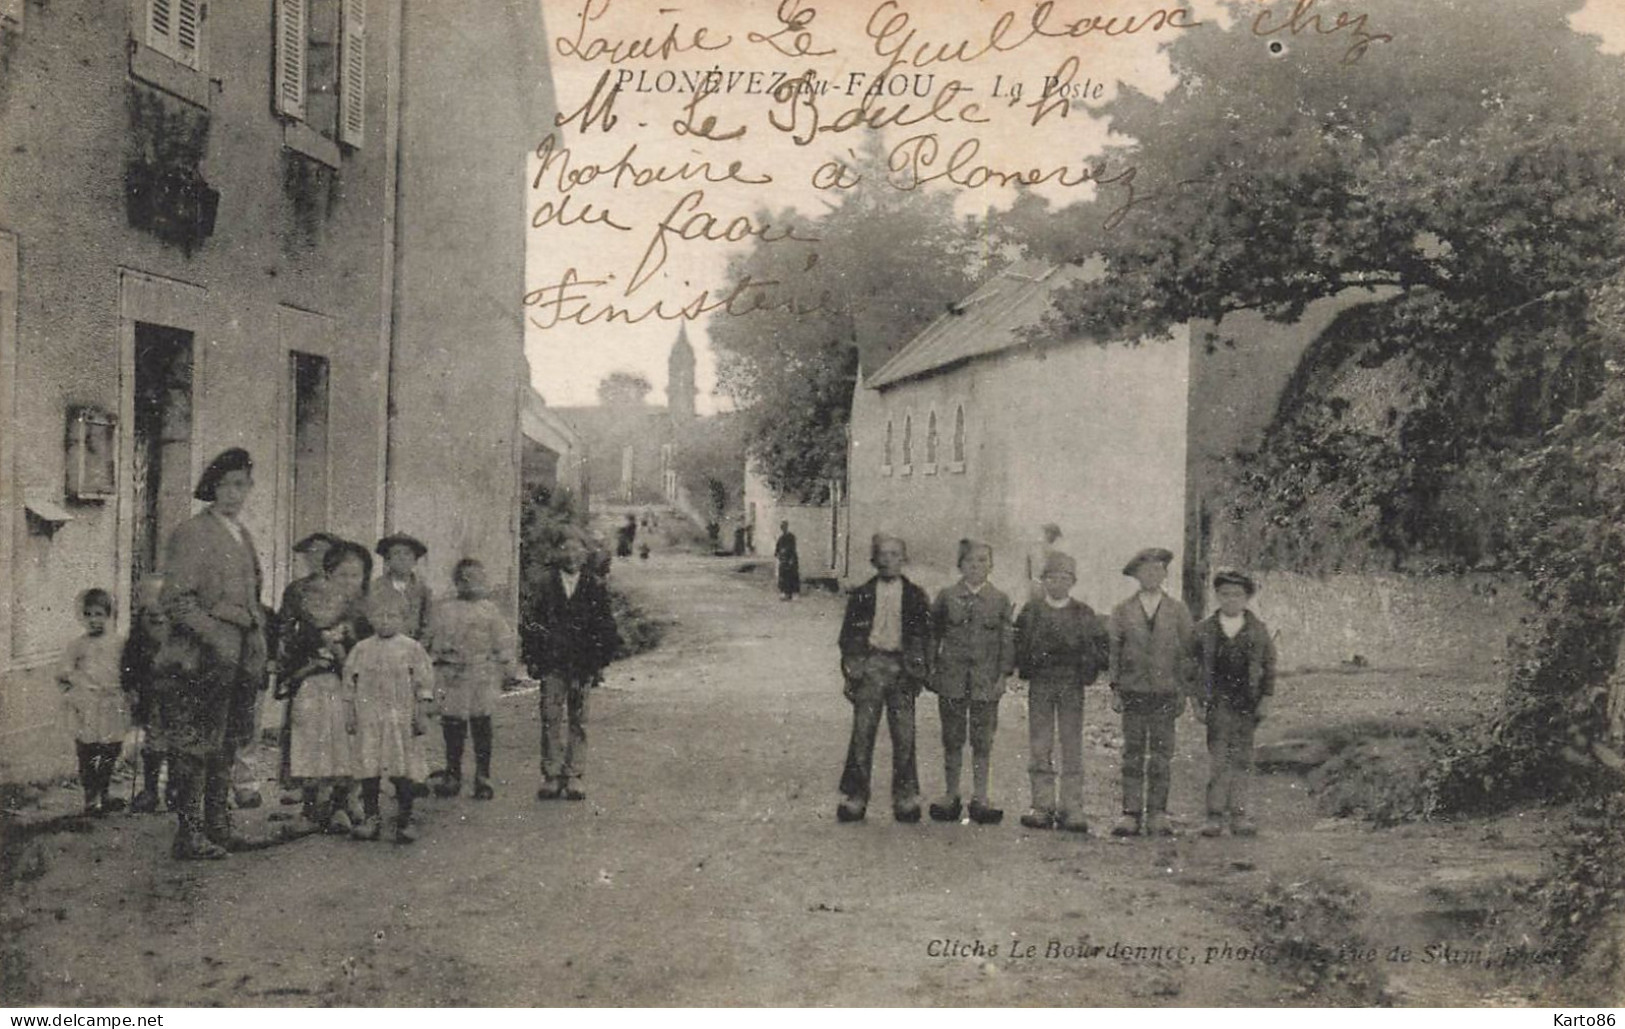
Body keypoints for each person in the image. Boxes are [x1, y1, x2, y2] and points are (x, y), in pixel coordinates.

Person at [151, 448, 269, 859]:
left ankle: (219, 827)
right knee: (196, 743)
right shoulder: (192, 533)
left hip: (239, 659)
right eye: (228, 485)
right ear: (213, 488)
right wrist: (216, 636)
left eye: (243, 485)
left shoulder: (242, 534)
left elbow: (252, 598)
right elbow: (177, 600)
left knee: (228, 741)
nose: (236, 493)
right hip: (199, 659)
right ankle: (189, 834)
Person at [836, 534, 930, 824]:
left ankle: (905, 797)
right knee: (863, 734)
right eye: (883, 554)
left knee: (904, 736)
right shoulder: (862, 594)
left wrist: (918, 669)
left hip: (902, 668)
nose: (888, 560)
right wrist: (854, 669)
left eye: (895, 554)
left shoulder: (915, 595)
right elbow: (848, 636)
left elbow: (925, 636)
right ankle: (856, 796)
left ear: (904, 559)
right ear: (874, 560)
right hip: (871, 666)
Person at [1014, 552, 1110, 833]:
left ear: (1073, 582)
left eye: (1065, 578)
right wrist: (1029, 665)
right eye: (1052, 578)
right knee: (1040, 743)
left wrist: (1085, 669)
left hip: (1071, 685)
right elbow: (1019, 644)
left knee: (1071, 744)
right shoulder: (1032, 612)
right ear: (1043, 581)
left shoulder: (1083, 613)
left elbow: (1098, 647)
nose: (1058, 583)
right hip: (1042, 684)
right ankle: (1042, 805)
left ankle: (1072, 806)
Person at [282, 540, 372, 836]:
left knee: (346, 744)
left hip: (349, 688)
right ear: (329, 575)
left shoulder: (364, 614)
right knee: (312, 741)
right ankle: (311, 807)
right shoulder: (312, 610)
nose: (349, 581)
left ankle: (342, 804)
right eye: (342, 575)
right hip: (315, 685)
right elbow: (294, 645)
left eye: (355, 575)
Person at [522, 532, 619, 802]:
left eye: (577, 550)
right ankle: (551, 775)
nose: (571, 555)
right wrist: (533, 658)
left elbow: (605, 628)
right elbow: (531, 624)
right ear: (556, 553)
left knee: (579, 719)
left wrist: (599, 663)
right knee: (550, 717)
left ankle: (575, 774)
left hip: (582, 664)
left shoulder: (595, 586)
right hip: (552, 663)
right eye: (565, 549)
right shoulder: (544, 585)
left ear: (586, 555)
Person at [1106, 547, 1196, 838]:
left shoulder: (1178, 610)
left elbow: (1187, 654)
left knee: (1161, 754)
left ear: (1165, 574)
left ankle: (1158, 812)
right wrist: (1115, 688)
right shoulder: (1122, 610)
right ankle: (1130, 813)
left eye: (1158, 570)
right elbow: (1114, 652)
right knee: (1132, 753)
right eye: (1146, 571)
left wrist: (1183, 690)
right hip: (1133, 690)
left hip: (1165, 692)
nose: (1152, 576)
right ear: (1136, 575)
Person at [927, 539, 1016, 825]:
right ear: (960, 565)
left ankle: (981, 797)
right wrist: (932, 669)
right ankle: (951, 794)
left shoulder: (1000, 599)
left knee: (983, 740)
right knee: (952, 738)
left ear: (991, 565)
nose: (976, 566)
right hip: (952, 679)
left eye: (982, 560)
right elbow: (933, 635)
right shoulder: (946, 596)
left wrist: (1002, 676)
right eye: (969, 561)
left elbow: (1006, 641)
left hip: (985, 682)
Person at [426, 558, 520, 800]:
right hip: (453, 675)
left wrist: (507, 664)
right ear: (457, 582)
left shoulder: (490, 610)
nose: (470, 583)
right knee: (453, 724)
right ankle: (453, 774)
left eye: (476, 578)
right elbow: (433, 639)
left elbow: (503, 640)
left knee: (481, 723)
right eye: (464, 579)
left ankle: (483, 776)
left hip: (481, 674)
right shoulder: (445, 610)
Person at [344, 595, 435, 843]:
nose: (385, 621)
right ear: (371, 619)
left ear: (403, 619)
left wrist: (421, 713)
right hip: (369, 716)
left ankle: (405, 819)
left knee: (401, 766)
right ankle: (371, 818)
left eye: (391, 616)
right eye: (379, 616)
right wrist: (350, 713)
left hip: (400, 716)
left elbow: (424, 684)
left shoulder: (411, 648)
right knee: (369, 765)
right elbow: (349, 684)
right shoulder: (361, 649)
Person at [1194, 570, 1277, 838]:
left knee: (1242, 758)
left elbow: (1269, 666)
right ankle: (1214, 815)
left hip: (1246, 703)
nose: (1231, 599)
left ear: (1247, 598)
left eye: (1237, 595)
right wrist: (1197, 701)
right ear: (1217, 596)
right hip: (1217, 702)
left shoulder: (1258, 630)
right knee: (1219, 758)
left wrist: (1266, 698)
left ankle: (1239, 815)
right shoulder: (1204, 630)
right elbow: (1192, 667)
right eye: (1225, 594)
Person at [272, 532, 339, 803]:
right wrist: (286, 659)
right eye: (312, 553)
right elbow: (285, 626)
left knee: (335, 723)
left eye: (324, 552)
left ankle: (336, 788)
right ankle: (303, 783)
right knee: (303, 722)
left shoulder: (345, 587)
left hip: (338, 660)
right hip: (305, 659)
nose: (317, 558)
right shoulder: (297, 589)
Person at [59, 588, 129, 817]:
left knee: (111, 749)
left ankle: (104, 794)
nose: (93, 620)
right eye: (88, 615)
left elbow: (128, 670)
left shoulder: (119, 643)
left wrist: (130, 690)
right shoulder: (77, 645)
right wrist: (75, 692)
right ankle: (90, 799)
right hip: (87, 705)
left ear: (109, 615)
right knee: (87, 751)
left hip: (112, 703)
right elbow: (63, 673)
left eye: (99, 614)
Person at [122, 576, 172, 814]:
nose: (156, 610)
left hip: (178, 693)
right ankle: (150, 790)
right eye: (149, 600)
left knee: (178, 742)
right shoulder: (139, 632)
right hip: (151, 693)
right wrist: (130, 686)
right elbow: (129, 660)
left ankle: (175, 789)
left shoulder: (179, 626)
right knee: (153, 741)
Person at [374, 534, 432, 640]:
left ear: (415, 561)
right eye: (396, 553)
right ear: (387, 560)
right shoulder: (375, 588)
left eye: (407, 553)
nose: (402, 558)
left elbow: (427, 624)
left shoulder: (423, 591)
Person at [1025, 523, 1064, 604]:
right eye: (1053, 535)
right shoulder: (1048, 548)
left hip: (1035, 584)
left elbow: (1028, 568)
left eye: (1055, 536)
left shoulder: (1034, 546)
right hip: (1042, 585)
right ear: (1047, 533)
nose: (1054, 538)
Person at [774, 521, 801, 601]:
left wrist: (791, 559)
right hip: (784, 560)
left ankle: (793, 593)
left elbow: (793, 548)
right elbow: (777, 550)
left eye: (784, 527)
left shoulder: (791, 537)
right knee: (783, 576)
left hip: (791, 558)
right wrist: (779, 555)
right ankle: (784, 592)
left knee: (792, 576)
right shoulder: (781, 538)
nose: (783, 529)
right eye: (782, 527)